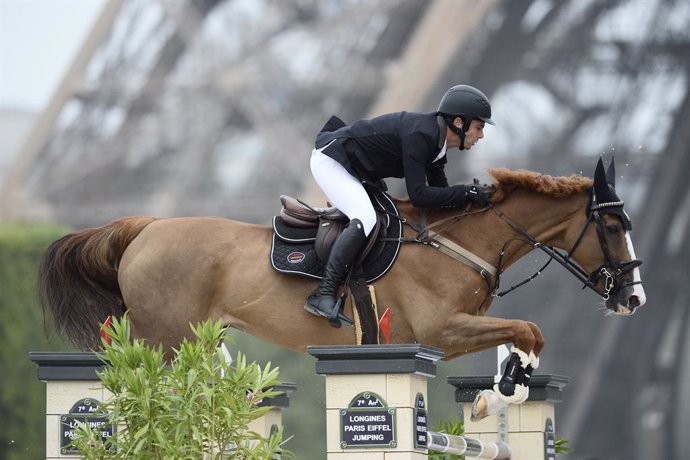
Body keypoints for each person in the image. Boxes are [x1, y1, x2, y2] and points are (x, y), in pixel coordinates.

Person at [305, 84, 496, 326]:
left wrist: (474, 199)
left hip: (357, 169)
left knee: (382, 217)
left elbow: (442, 196)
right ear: (459, 123)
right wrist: (465, 192)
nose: (481, 135)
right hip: (332, 161)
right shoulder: (421, 136)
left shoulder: (437, 144)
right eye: (479, 127)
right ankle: (323, 293)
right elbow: (419, 195)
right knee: (365, 218)